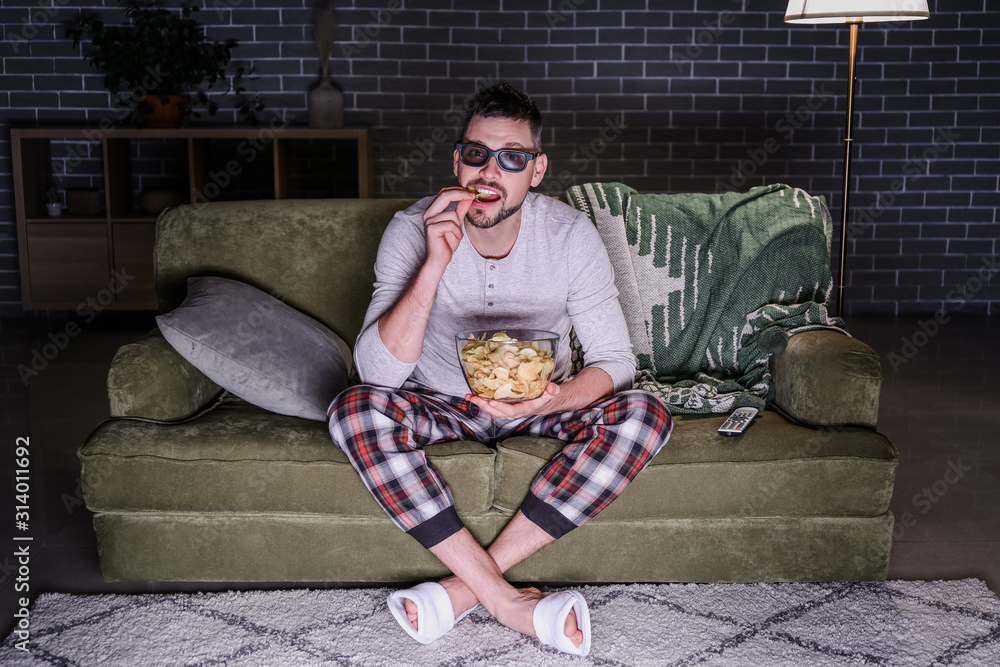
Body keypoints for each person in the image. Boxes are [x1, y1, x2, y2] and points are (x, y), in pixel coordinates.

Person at [327, 81, 673, 656]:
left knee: (645, 414)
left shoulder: (569, 236)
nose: (490, 173)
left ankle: (464, 592)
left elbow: (616, 363)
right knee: (353, 411)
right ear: (457, 160)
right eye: (478, 154)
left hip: (542, 405)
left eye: (512, 158)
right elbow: (378, 376)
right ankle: (507, 601)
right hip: (442, 403)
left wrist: (554, 399)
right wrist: (436, 260)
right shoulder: (411, 228)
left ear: (536, 170)